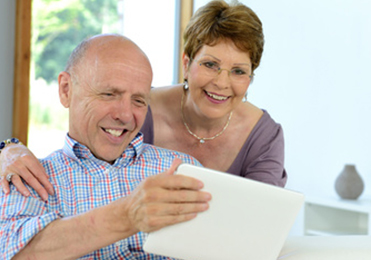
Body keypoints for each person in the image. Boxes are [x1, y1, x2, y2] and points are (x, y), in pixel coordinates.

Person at [0, 0, 287, 202]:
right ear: (187, 64)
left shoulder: (264, 135)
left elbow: (264, 217)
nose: (222, 82)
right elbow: (80, 157)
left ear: (250, 77)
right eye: (210, 64)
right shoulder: (139, 108)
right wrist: (8, 149)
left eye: (238, 71)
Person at [0, 34, 211, 259]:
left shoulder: (184, 169)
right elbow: (12, 252)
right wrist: (126, 216)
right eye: (109, 94)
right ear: (65, 90)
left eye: (139, 100)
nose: (125, 115)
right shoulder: (29, 177)